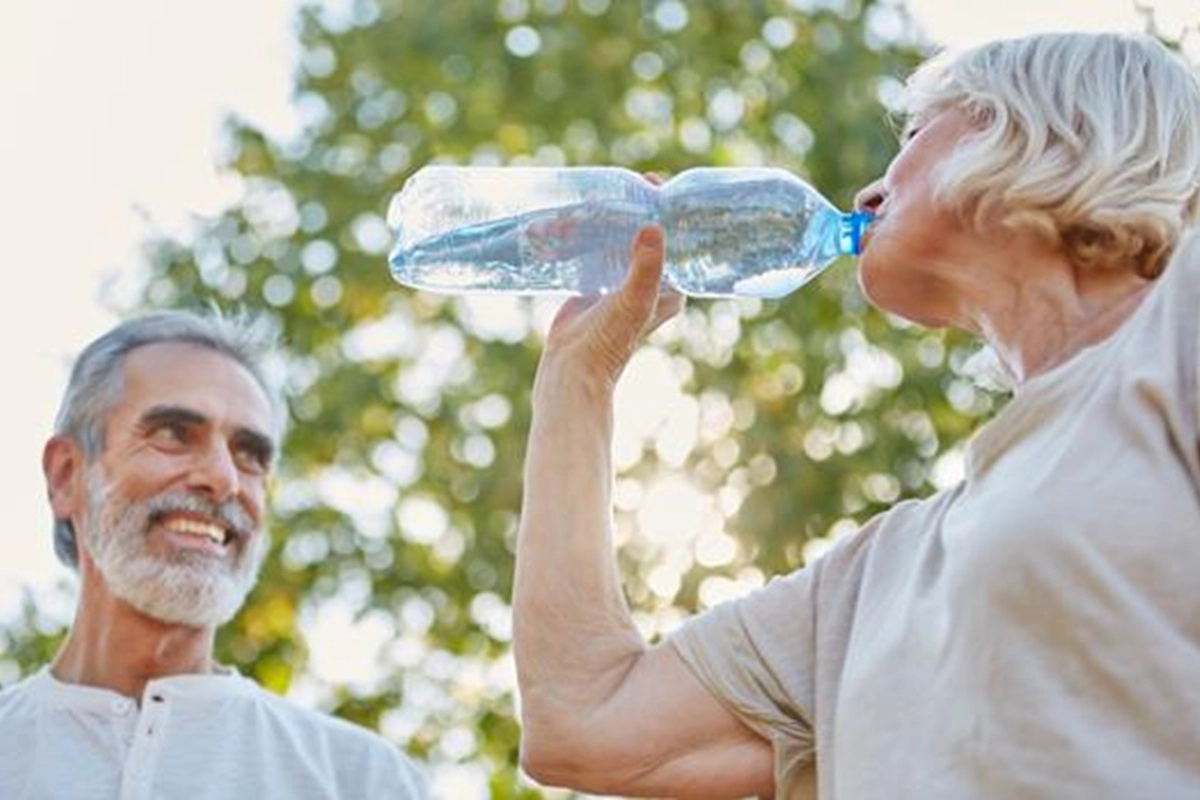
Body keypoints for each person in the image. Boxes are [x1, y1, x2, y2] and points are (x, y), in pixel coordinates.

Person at [513, 31, 1200, 799]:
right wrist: (577, 379)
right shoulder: (874, 579)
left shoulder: (1179, 333)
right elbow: (583, 722)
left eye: (912, 138)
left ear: (1037, 127)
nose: (867, 195)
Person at [0, 311, 428, 799]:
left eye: (250, 455)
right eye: (173, 434)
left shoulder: (364, 781)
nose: (223, 478)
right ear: (65, 475)